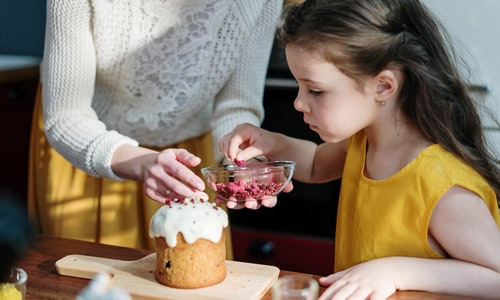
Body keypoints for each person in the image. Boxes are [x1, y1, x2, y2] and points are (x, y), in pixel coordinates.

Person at [218, 0, 500, 298]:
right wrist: (272, 143)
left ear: (383, 87)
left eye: (315, 90)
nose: (299, 103)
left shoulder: (442, 186)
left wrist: (396, 271)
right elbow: (314, 164)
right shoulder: (361, 143)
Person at [28, 0, 283, 256]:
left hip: (188, 164)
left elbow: (237, 104)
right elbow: (66, 117)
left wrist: (241, 162)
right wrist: (142, 162)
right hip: (92, 154)